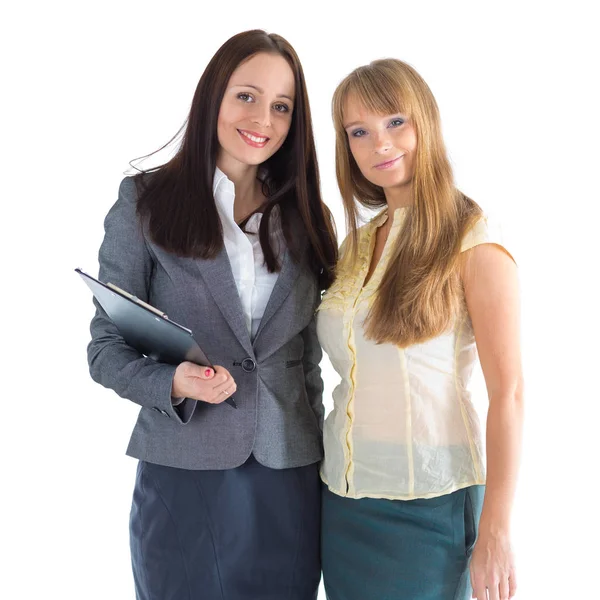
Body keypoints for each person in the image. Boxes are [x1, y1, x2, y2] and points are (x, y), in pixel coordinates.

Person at [87, 29, 337, 600]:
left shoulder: (308, 217)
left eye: (282, 106)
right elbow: (105, 350)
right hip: (184, 472)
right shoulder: (145, 203)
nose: (263, 118)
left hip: (289, 477)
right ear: (213, 97)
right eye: (246, 96)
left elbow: (308, 361)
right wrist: (173, 380)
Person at [317, 58, 523, 600]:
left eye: (394, 122)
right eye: (358, 132)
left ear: (424, 122)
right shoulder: (356, 246)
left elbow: (511, 393)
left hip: (430, 506)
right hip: (341, 501)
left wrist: (497, 528)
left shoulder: (472, 239)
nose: (378, 144)